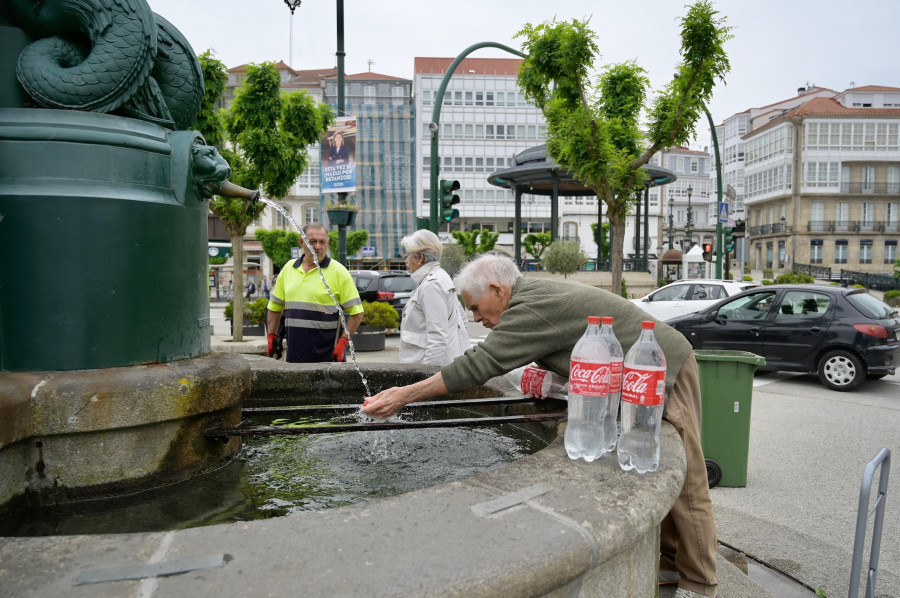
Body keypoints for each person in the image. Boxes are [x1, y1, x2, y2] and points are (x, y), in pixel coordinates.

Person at [362, 254, 718, 598]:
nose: (475, 317)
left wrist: (405, 395)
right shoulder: (531, 299)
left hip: (662, 367)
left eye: (474, 306)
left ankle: (701, 585)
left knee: (687, 479)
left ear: (497, 290)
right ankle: (672, 563)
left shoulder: (531, 306)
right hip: (638, 374)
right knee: (661, 474)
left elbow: (481, 364)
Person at [266, 223, 364, 363]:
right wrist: (271, 336)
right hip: (294, 357)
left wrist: (342, 343)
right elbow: (274, 308)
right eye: (312, 242)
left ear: (327, 243)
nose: (317, 246)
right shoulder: (288, 269)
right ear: (301, 242)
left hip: (328, 358)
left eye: (322, 242)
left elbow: (357, 312)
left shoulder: (339, 272)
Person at [398, 230, 470, 366]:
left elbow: (438, 339)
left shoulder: (432, 285)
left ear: (420, 258)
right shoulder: (438, 278)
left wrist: (425, 379)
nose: (406, 261)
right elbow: (462, 320)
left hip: (428, 372)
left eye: (407, 255)